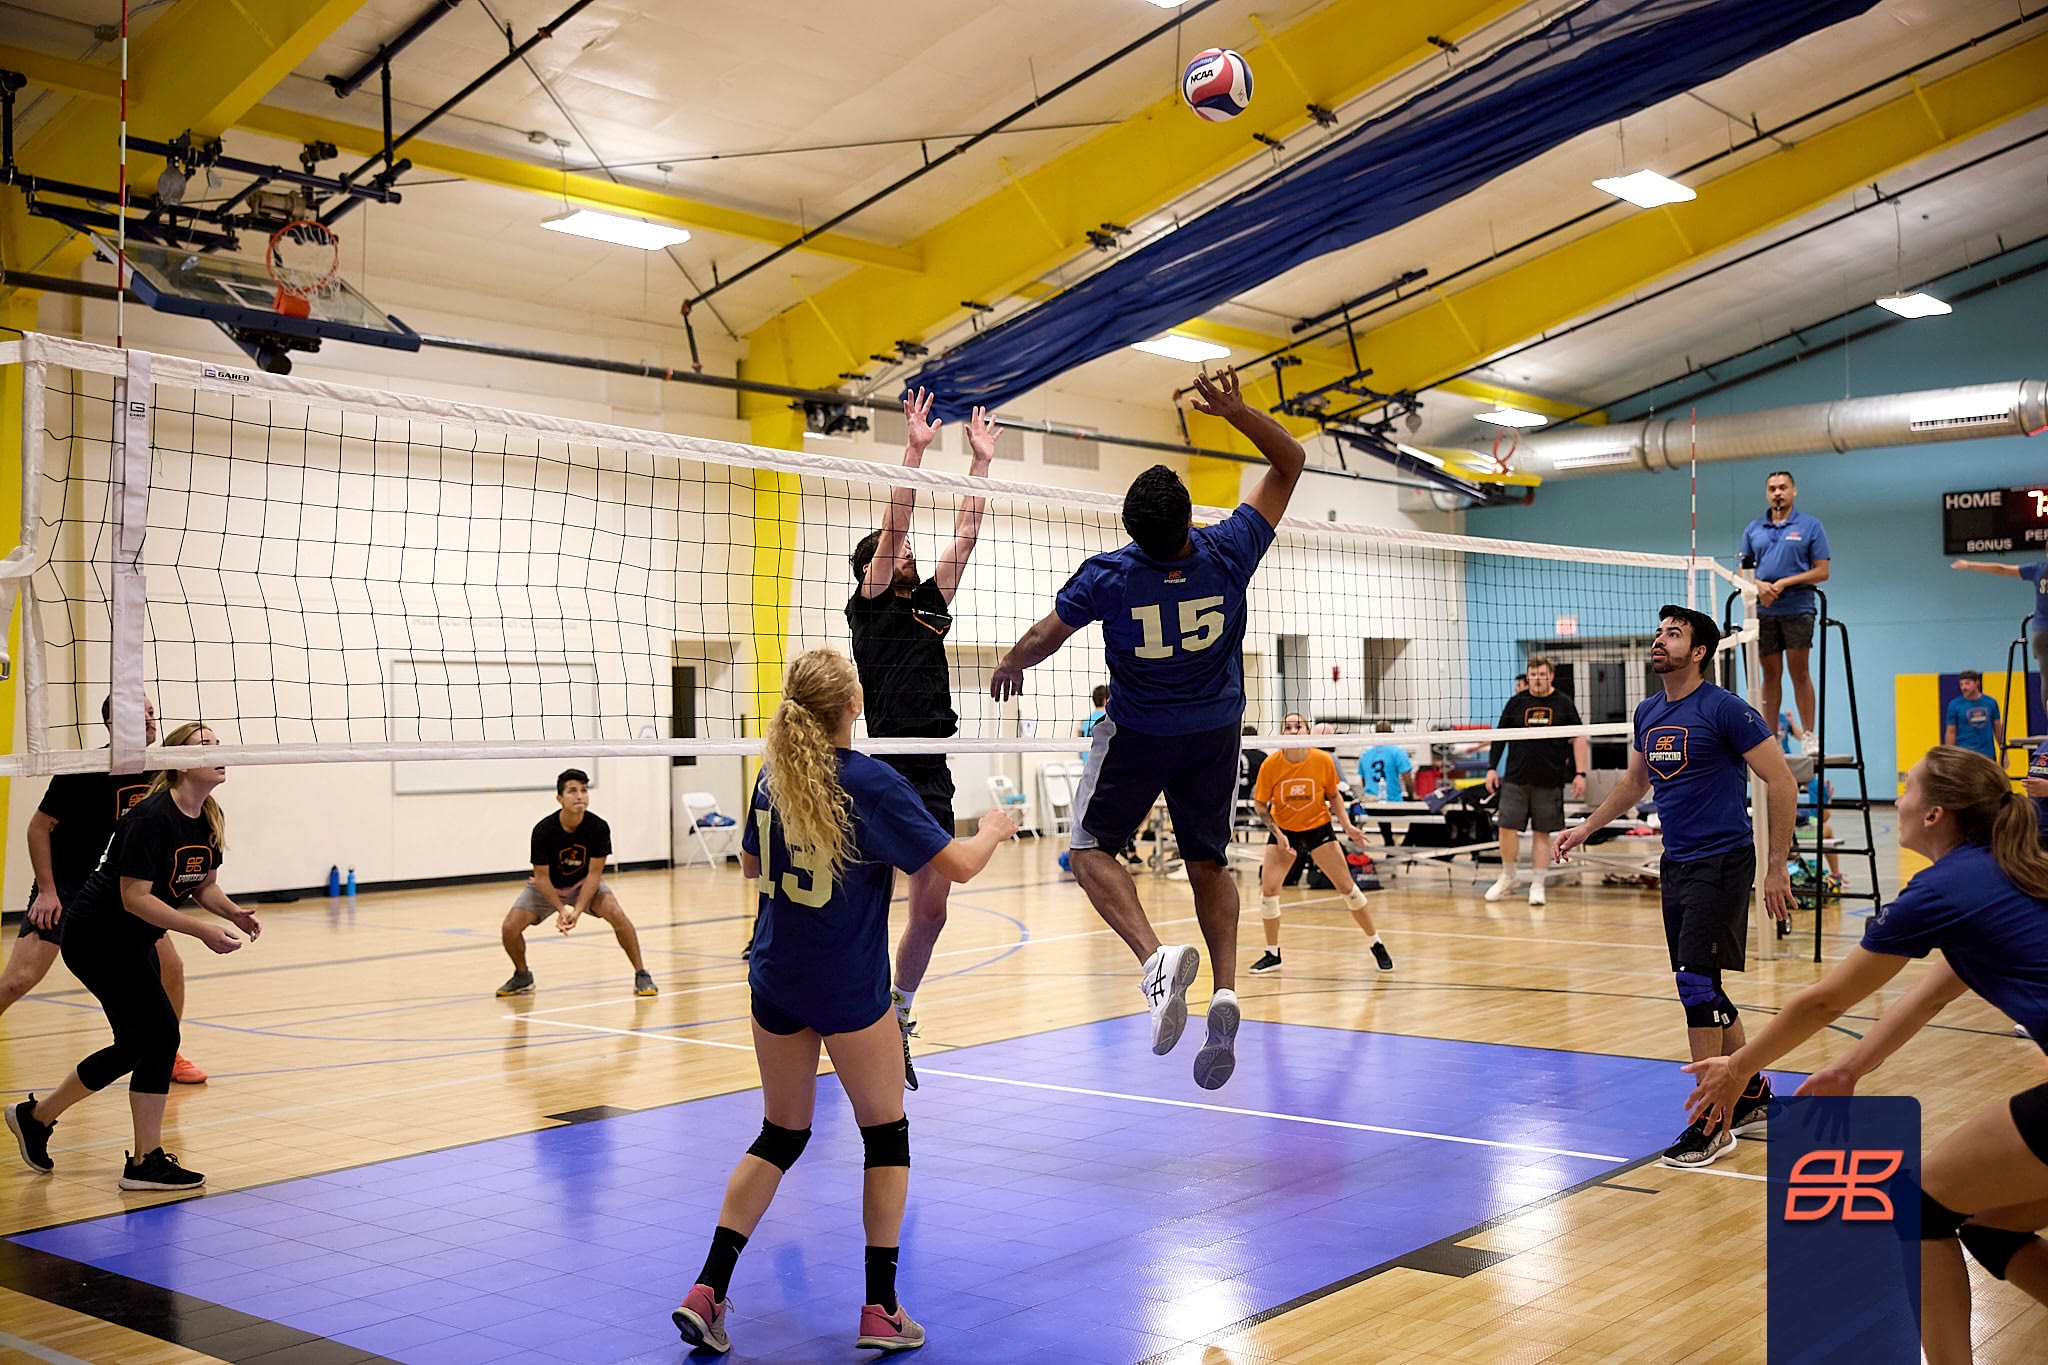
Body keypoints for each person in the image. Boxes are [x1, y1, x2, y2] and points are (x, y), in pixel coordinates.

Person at [671, 649, 1014, 1356]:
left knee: (781, 1132)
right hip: (847, 987)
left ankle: (707, 1289)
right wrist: (992, 830)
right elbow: (958, 867)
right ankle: (881, 1307)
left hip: (775, 977)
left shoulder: (773, 775)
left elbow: (752, 865)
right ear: (853, 705)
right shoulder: (870, 782)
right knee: (885, 1132)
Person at [991, 366, 1304, 1090]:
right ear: (1189, 514)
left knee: (1090, 848)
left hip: (1139, 732)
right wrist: (1235, 413)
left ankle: (1156, 961)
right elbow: (1291, 463)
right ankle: (1226, 988)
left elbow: (1045, 634)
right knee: (1208, 859)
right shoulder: (1230, 550)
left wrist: (1010, 662)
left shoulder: (1109, 576)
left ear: (1132, 529)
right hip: (1216, 731)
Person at [1684, 747, 2048, 1365]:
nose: (1898, 798)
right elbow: (1942, 986)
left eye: (1906, 787)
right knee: (1990, 1226)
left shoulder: (1945, 888)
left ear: (1934, 815)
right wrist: (1851, 1067)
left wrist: (1737, 1068)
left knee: (1918, 1204)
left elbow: (1822, 1004)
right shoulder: (2000, 869)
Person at [1553, 605, 1797, 1168]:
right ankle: (1751, 1091)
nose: (1660, 640)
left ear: (1700, 651)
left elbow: (1780, 782)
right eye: (1660, 632)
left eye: (1674, 634)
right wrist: (1588, 826)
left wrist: (1776, 864)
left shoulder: (1726, 710)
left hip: (1722, 861)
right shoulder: (1648, 711)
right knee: (1702, 984)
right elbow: (1637, 783)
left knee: (1694, 984)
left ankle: (1711, 1123)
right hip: (1678, 862)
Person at [5, 724, 259, 1191]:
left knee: (139, 1044)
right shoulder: (150, 817)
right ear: (180, 762)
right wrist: (202, 931)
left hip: (130, 938)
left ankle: (36, 1118)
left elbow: (202, 884)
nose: (221, 751)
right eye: (206, 745)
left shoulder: (209, 816)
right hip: (97, 937)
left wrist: (233, 914)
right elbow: (135, 898)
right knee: (159, 1036)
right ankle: (144, 1162)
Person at [846, 389, 996, 1090]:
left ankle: (898, 1013)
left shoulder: (930, 608)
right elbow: (896, 524)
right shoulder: (870, 606)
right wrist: (914, 452)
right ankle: (858, 1009)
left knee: (930, 910)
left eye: (904, 552)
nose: (904, 553)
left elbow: (964, 536)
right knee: (867, 904)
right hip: (882, 767)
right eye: (893, 551)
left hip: (931, 769)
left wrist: (981, 464)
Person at [1, 696, 205, 1085]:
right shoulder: (84, 769)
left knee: (171, 966)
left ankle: (166, 1050)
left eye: (151, 713)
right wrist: (47, 890)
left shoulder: (161, 773)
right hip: (68, 885)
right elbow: (38, 828)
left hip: (122, 890)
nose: (150, 720)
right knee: (19, 979)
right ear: (112, 722)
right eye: (139, 713)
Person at [1247, 713, 1391, 975]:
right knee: (1268, 891)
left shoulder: (1322, 760)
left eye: (1297, 726)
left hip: (1317, 829)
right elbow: (1259, 803)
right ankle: (1272, 953)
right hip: (1285, 831)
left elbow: (1333, 795)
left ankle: (1376, 943)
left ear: (1307, 731)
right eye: (1287, 727)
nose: (1292, 731)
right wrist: (1277, 834)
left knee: (1348, 888)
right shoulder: (1271, 764)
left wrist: (1347, 826)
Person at [495, 769, 654, 998]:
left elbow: (594, 874)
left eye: (583, 790)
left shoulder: (598, 827)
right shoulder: (543, 830)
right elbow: (541, 877)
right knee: (509, 928)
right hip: (549, 885)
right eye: (572, 791)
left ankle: (641, 973)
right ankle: (522, 976)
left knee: (616, 913)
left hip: (582, 883)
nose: (580, 796)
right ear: (560, 799)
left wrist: (577, 911)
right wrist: (561, 910)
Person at [1483, 656, 1590, 907]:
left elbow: (1579, 738)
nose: (1538, 679)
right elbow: (1499, 738)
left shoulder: (1563, 703)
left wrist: (1580, 773)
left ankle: (1538, 884)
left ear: (1551, 676)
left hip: (1549, 780)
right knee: (1506, 828)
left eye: (1542, 674)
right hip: (1515, 779)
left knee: (1541, 834)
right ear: (1527, 676)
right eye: (1533, 674)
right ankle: (1508, 877)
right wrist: (1491, 768)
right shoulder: (1516, 703)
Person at [1738, 471, 1830, 757]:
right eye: (1772, 488)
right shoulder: (1754, 529)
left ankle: (1810, 736)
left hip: (1798, 607)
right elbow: (1743, 571)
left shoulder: (1810, 526)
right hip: (1763, 611)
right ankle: (1770, 739)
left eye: (1783, 487)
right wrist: (1760, 585)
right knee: (1770, 675)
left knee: (1799, 672)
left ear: (1794, 491)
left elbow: (1822, 571)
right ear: (1767, 493)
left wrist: (1785, 583)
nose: (1777, 492)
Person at [1952, 547, 2048, 720]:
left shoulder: (2038, 569)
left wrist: (1969, 564)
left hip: (2041, 633)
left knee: (2046, 679)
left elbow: (2002, 569)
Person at [1944, 670, 2005, 762]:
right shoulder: (1955, 705)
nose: (1964, 687)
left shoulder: (1990, 702)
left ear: (1977, 683)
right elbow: (1950, 732)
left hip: (1987, 755)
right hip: (1965, 755)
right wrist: (1950, 756)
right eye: (1961, 684)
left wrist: (2004, 753)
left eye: (1967, 683)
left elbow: (1998, 729)